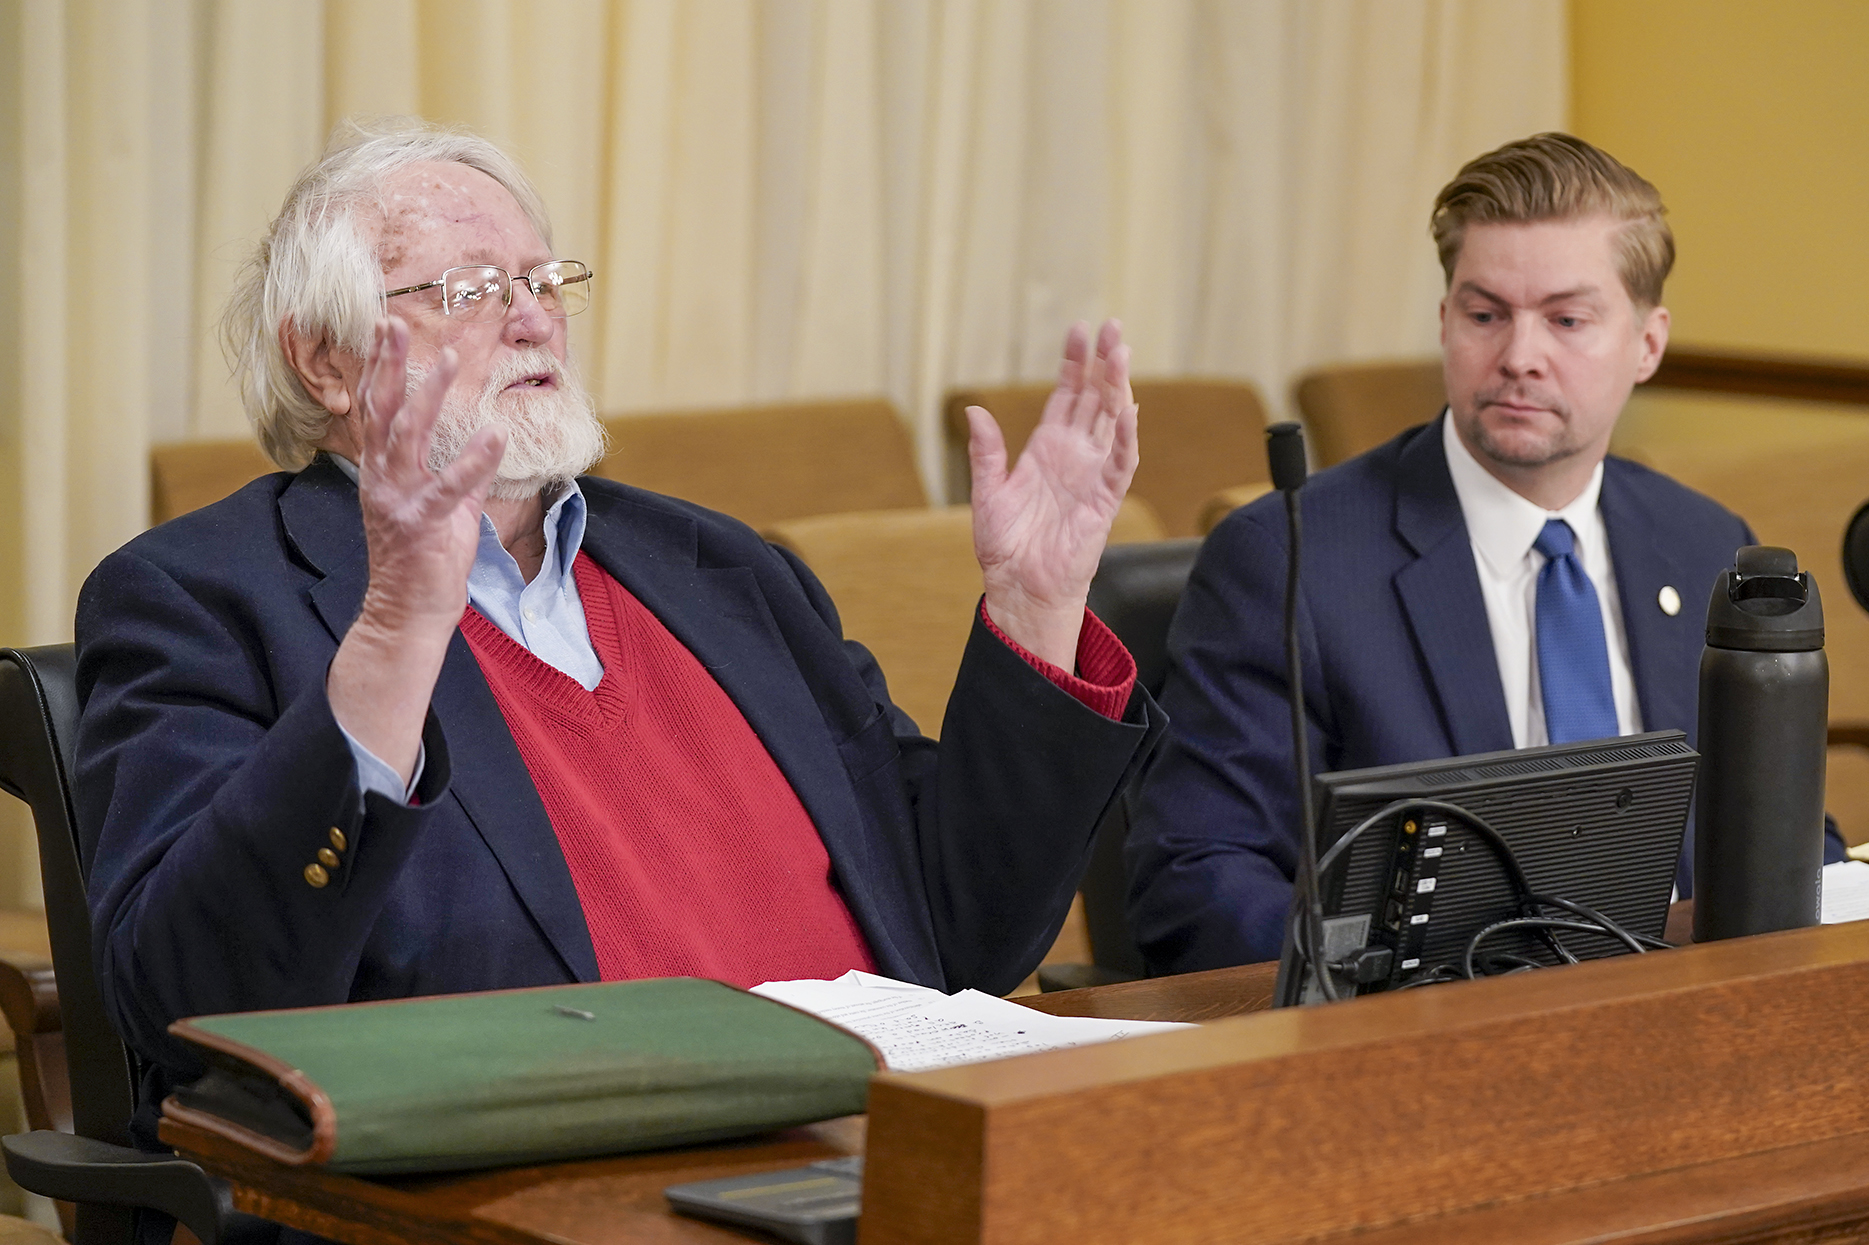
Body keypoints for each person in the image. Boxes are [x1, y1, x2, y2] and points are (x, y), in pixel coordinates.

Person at [75, 116, 1164, 1169]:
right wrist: (401, 632)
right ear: (325, 361)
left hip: (873, 1165)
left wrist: (1034, 608)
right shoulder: (200, 600)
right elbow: (188, 1006)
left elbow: (959, 934)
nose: (536, 319)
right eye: (472, 290)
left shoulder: (722, 568)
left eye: (545, 282)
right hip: (528, 1192)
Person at [1125, 132, 1844, 975]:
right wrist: (1388, 984)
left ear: (1647, 344)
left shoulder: (1704, 543)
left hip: (1679, 1017)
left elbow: (1781, 835)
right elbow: (1196, 870)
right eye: (1484, 314)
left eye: (1566, 319)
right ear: (1443, 321)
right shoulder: (1290, 559)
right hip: (1412, 1043)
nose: (1517, 357)